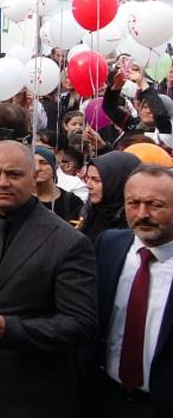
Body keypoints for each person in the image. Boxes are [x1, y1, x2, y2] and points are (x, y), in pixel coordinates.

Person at [0, 141, 98, 418]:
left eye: (14, 174)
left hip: (29, 394)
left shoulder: (68, 242)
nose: (2, 182)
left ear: (33, 177)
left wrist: (11, 329)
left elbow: (81, 324)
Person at [94, 166, 173, 417]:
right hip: (105, 397)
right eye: (133, 203)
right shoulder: (109, 245)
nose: (142, 214)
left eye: (155, 205)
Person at [78, 151, 142, 243]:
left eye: (96, 180)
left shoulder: (137, 224)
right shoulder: (89, 212)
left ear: (117, 183)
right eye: (87, 178)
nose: (88, 185)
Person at [33, 147, 84, 223]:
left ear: (53, 168)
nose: (37, 168)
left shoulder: (72, 202)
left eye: (44, 163)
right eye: (32, 163)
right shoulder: (21, 200)